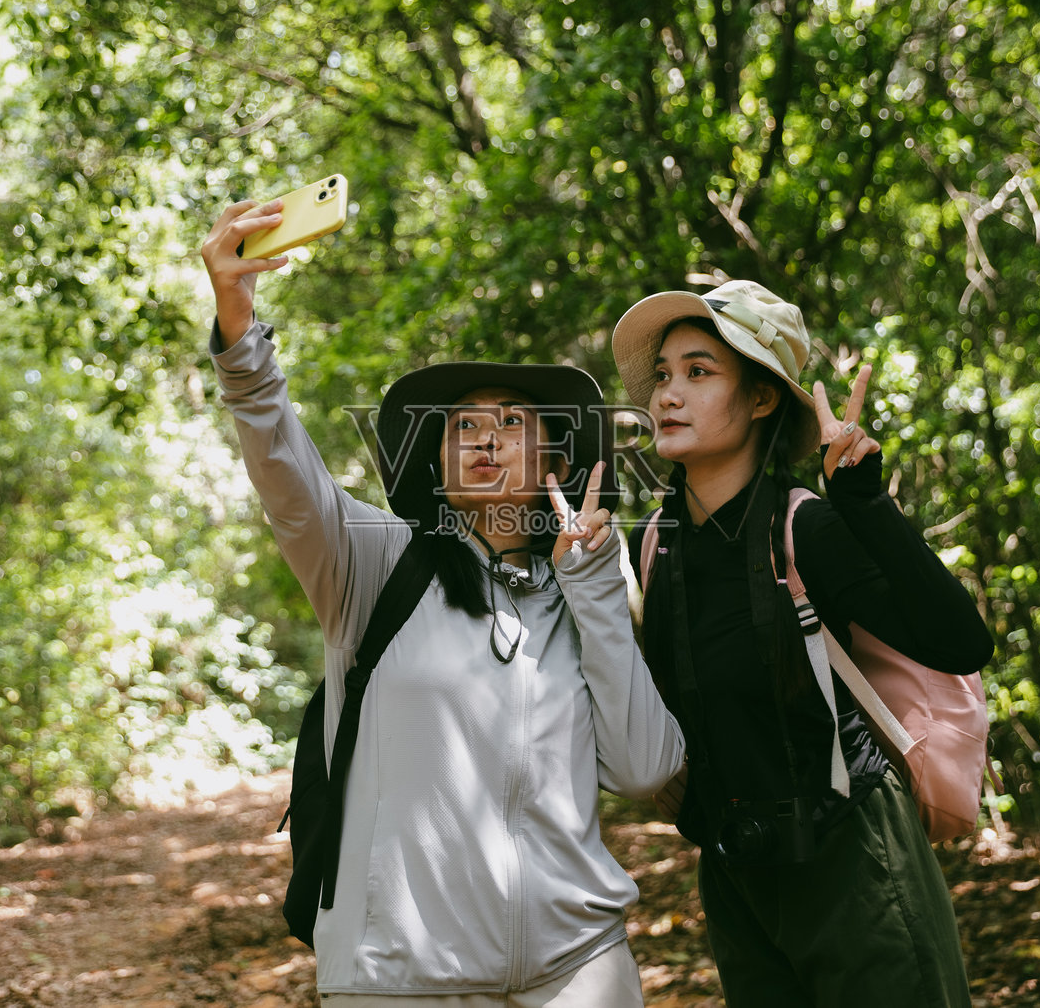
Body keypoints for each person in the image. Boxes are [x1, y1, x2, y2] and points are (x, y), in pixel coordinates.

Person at [200, 198, 686, 1006]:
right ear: (439, 462)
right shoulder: (373, 561)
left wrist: (595, 587)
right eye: (463, 427)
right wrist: (239, 333)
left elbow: (646, 769)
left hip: (580, 964)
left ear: (553, 462)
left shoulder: (585, 592)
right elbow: (286, 472)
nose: (486, 439)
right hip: (401, 972)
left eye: (510, 424)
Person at [610, 279, 995, 1007]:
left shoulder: (805, 528)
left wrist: (866, 503)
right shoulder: (658, 545)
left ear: (761, 399)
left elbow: (960, 638)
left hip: (853, 859)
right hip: (737, 876)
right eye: (662, 374)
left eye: (699, 371)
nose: (667, 393)